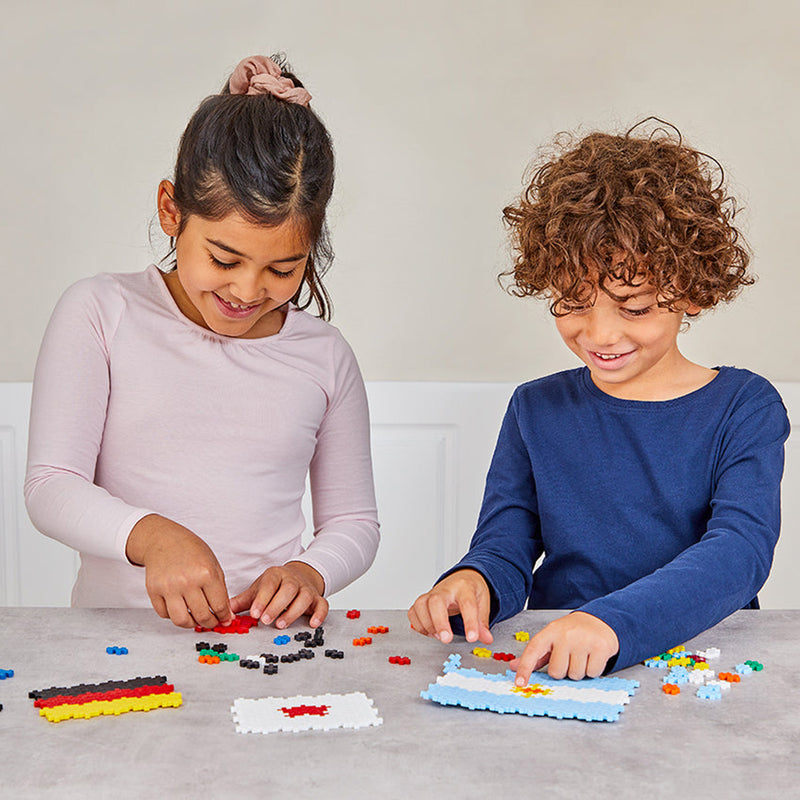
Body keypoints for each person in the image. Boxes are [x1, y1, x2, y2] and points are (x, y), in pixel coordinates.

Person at [408, 119, 790, 683]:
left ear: (691, 288)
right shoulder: (534, 408)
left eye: (633, 307)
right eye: (572, 302)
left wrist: (609, 624)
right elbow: (504, 545)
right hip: (556, 661)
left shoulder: (744, 406)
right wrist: (474, 581)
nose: (600, 334)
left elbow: (739, 554)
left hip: (704, 662)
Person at [25, 55, 379, 632]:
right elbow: (51, 486)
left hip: (263, 647)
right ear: (171, 209)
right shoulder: (100, 312)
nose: (247, 290)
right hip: (117, 643)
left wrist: (311, 572)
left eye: (284, 268)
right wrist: (153, 537)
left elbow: (355, 523)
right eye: (223, 258)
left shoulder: (325, 356)